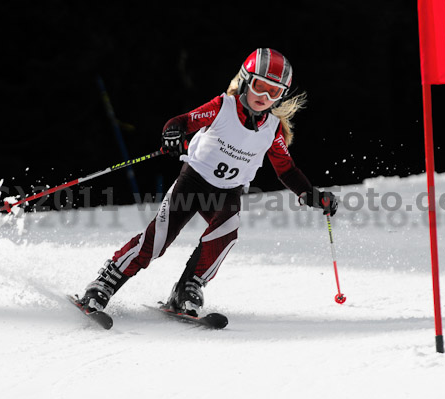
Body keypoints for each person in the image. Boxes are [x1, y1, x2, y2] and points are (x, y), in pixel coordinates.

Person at [78, 48, 338, 316]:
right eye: (260, 86)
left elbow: (287, 170)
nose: (264, 97)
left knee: (226, 233)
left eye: (274, 92)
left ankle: (188, 287)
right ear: (246, 80)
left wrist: (311, 195)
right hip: (193, 182)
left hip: (228, 192)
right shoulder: (223, 106)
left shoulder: (272, 129)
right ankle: (104, 283)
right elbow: (182, 122)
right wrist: (173, 134)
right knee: (157, 240)